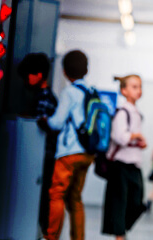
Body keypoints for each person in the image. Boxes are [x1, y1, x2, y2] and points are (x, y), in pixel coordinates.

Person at [43, 50, 94, 240]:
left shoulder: (69, 92)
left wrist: (44, 121)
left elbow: (56, 122)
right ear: (86, 70)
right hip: (88, 153)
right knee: (75, 198)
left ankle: (51, 237)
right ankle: (78, 238)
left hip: (69, 152)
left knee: (56, 194)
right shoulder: (91, 91)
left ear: (64, 71)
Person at [15, 53, 59, 236]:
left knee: (42, 200)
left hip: (44, 157)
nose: (27, 79)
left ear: (39, 74)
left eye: (29, 74)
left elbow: (39, 124)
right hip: (45, 157)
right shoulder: (46, 96)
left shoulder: (44, 99)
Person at [101, 74, 148, 240]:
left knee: (136, 202)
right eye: (134, 87)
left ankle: (121, 231)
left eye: (140, 87)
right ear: (124, 90)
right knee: (118, 204)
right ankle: (119, 235)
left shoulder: (136, 113)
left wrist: (139, 141)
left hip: (133, 164)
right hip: (120, 165)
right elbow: (120, 136)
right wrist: (136, 136)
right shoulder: (122, 112)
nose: (139, 90)